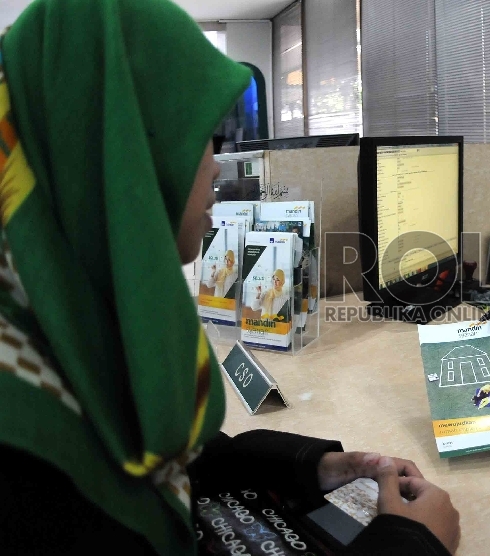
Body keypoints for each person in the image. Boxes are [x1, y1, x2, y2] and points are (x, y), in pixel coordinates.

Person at [0, 0, 460, 554]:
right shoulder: (24, 454)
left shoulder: (62, 323)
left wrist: (319, 465)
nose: (216, 164)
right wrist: (412, 542)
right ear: (124, 153)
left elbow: (176, 454)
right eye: (200, 135)